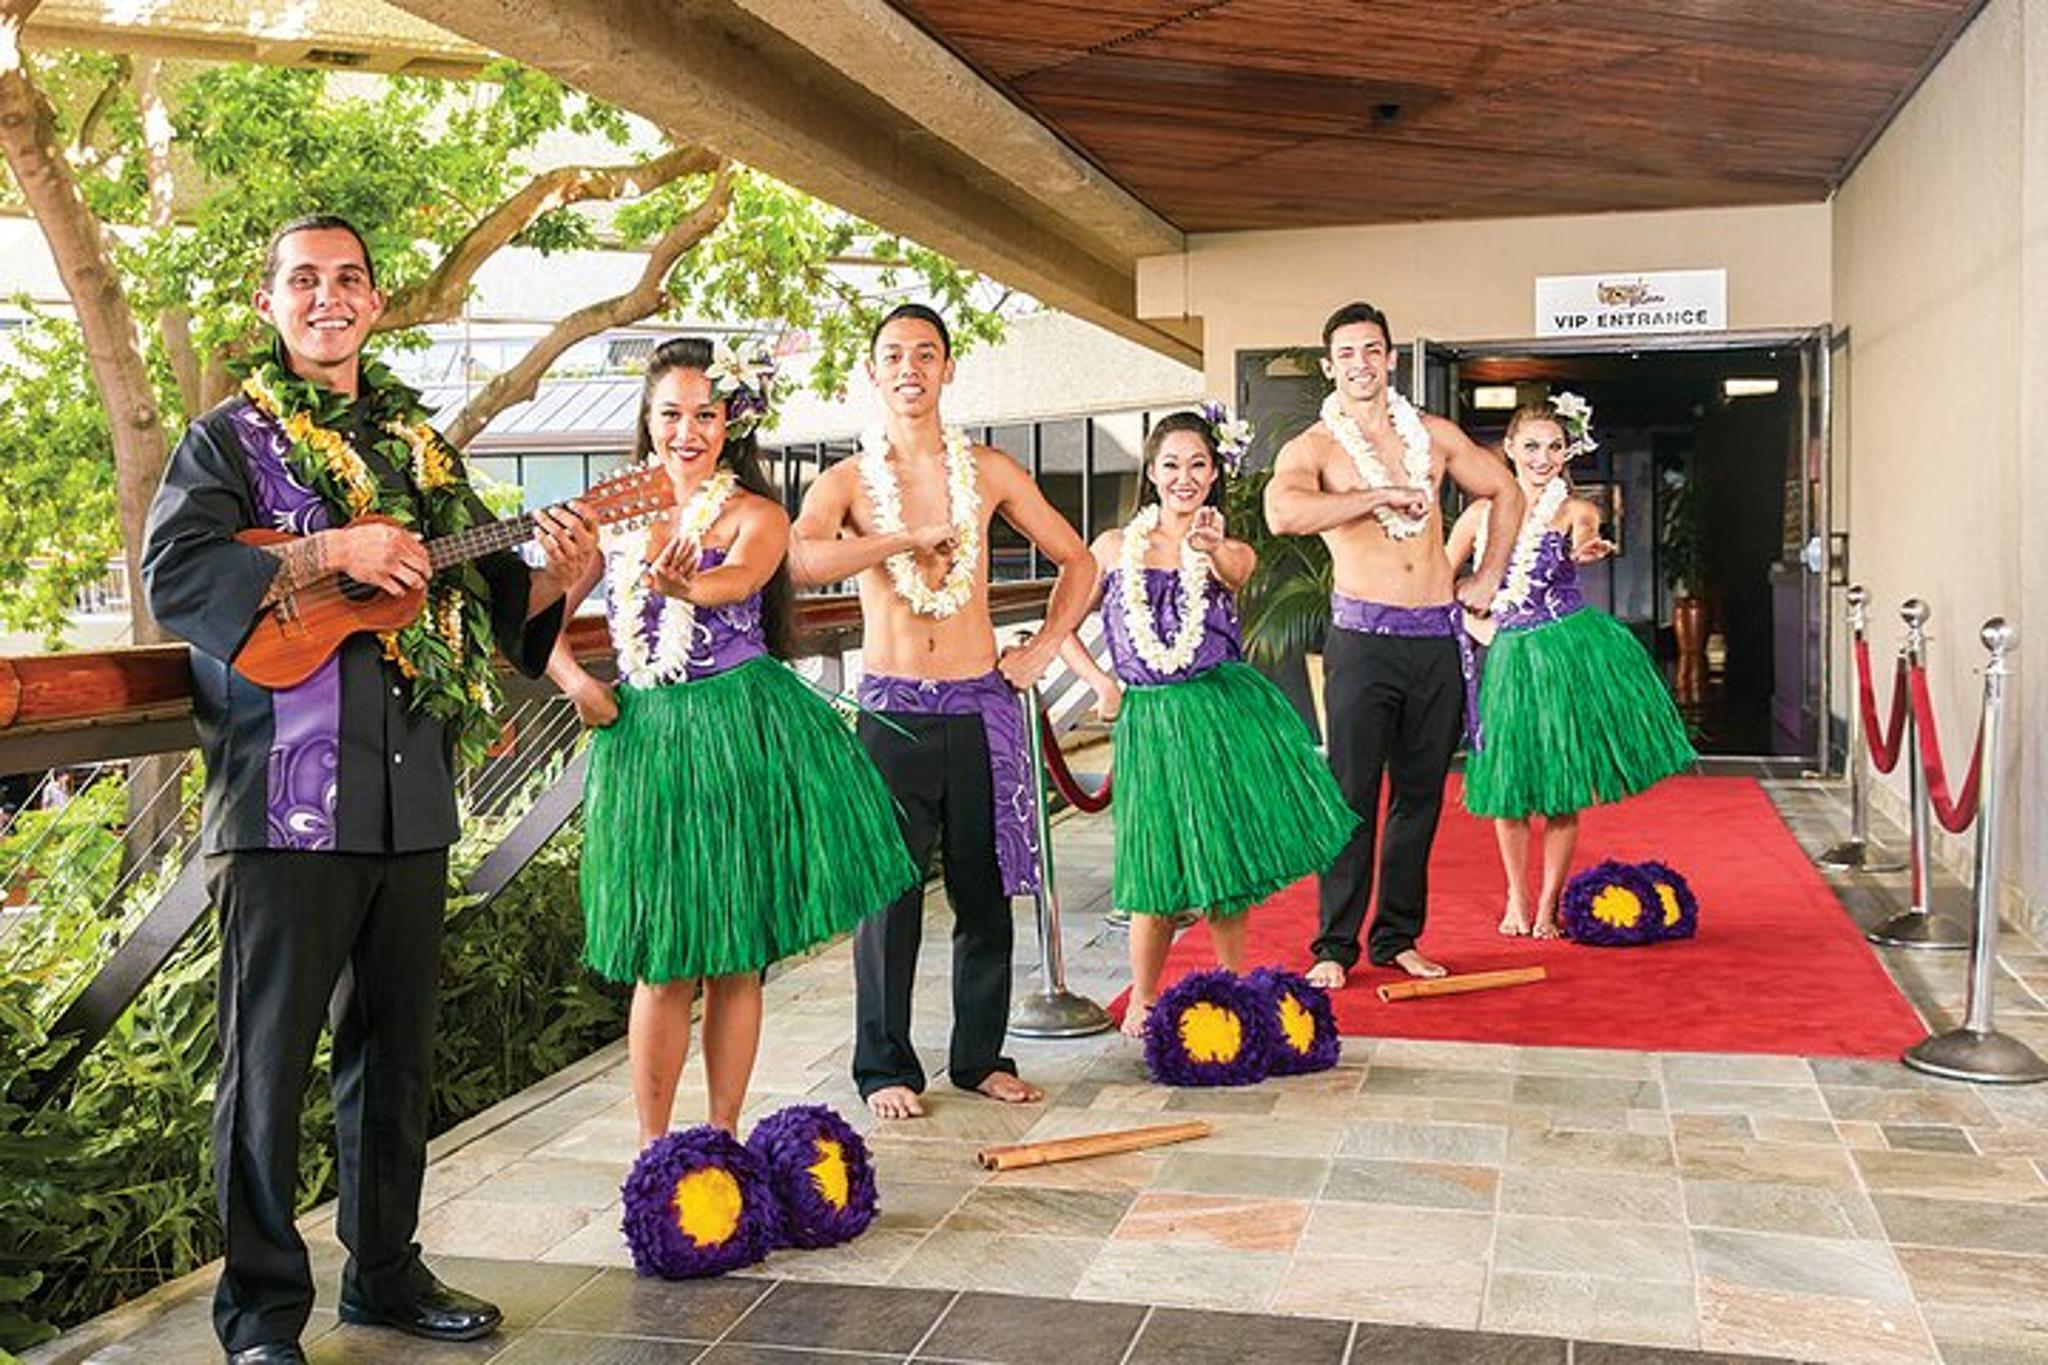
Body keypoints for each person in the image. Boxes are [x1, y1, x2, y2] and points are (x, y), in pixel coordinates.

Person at [141, 215, 598, 1365]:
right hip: (283, 797)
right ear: (270, 304)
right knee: (267, 1068)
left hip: (407, 793)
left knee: (393, 1058)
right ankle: (258, 1318)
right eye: (304, 280)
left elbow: (491, 607)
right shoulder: (226, 442)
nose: (328, 298)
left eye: (350, 279)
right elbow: (178, 572)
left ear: (378, 302)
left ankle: (384, 1276)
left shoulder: (419, 449)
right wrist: (326, 553)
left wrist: (562, 574)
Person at [545, 336, 916, 1144]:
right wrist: (581, 686)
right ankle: (652, 1150)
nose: (688, 430)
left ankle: (721, 1136)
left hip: (735, 731)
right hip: (643, 740)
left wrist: (686, 584)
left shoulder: (759, 514)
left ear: (729, 424)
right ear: (646, 422)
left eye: (704, 414)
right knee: (664, 958)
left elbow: (737, 581)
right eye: (670, 413)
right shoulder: (609, 518)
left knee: (735, 953)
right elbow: (537, 615)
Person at [790, 303, 1095, 1121]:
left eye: (926, 353)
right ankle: (883, 1065)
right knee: (887, 898)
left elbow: (1079, 559)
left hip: (978, 703)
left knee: (984, 889)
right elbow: (802, 556)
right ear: (873, 371)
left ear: (949, 369)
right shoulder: (848, 481)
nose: (909, 367)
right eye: (893, 355)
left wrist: (1039, 651)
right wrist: (902, 539)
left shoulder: (990, 470)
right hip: (891, 709)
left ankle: (979, 1057)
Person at [1059, 408, 1358, 1035]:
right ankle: (1143, 995)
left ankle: (1231, 982)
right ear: (1151, 471)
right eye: (1171, 464)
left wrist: (1212, 544)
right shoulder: (1114, 548)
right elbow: (1058, 627)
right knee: (1155, 862)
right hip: (1149, 719)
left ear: (1215, 471)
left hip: (1217, 712)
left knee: (1222, 860)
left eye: (1198, 464)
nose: (1184, 476)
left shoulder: (1228, 548)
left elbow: (1237, 572)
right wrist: (1100, 682)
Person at [1265, 301, 1525, 987]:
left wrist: (1490, 573)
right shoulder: (1315, 448)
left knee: (1420, 797)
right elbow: (1284, 512)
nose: (1361, 363)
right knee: (1352, 793)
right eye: (1347, 353)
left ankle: (1398, 936)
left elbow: (1504, 488)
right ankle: (1333, 945)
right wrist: (1376, 494)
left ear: (1391, 358)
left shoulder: (1434, 435)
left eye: (1372, 349)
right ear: (1330, 366)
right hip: (1363, 640)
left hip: (1435, 636)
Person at [1447, 397, 1696, 937]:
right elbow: (1436, 578)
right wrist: (1470, 621)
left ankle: (1547, 906)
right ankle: (1517, 896)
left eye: (1554, 447)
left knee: (1560, 783)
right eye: (1531, 446)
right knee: (1507, 785)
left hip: (1561, 652)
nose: (1542, 457)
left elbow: (1585, 542)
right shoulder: (1478, 514)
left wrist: (1587, 550)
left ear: (1567, 453)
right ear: (1508, 449)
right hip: (1508, 658)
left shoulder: (1576, 511)